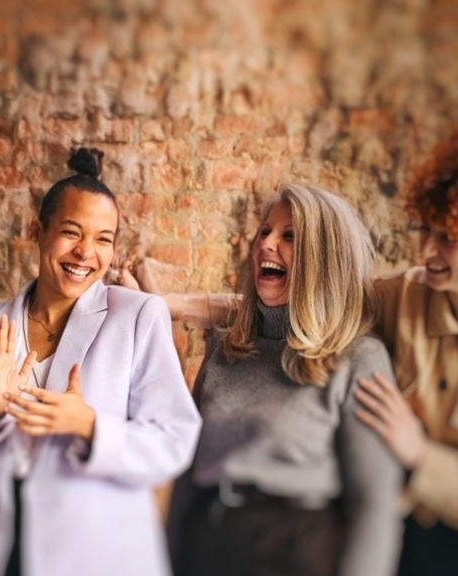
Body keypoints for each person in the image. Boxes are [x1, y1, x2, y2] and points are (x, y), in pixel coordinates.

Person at [0, 148, 202, 576]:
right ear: (37, 231)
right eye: (71, 232)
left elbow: (175, 440)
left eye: (103, 239)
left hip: (96, 554)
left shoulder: (137, 317)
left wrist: (88, 425)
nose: (85, 252)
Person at [165, 183, 402, 576]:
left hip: (292, 550)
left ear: (323, 258)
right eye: (265, 231)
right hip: (206, 544)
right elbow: (186, 476)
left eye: (289, 236)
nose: (267, 244)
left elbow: (373, 506)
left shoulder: (359, 357)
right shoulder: (225, 349)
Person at [353, 132, 458, 576]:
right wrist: (173, 305)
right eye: (426, 231)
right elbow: (309, 307)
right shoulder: (408, 295)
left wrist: (419, 454)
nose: (428, 252)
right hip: (400, 534)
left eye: (449, 239)